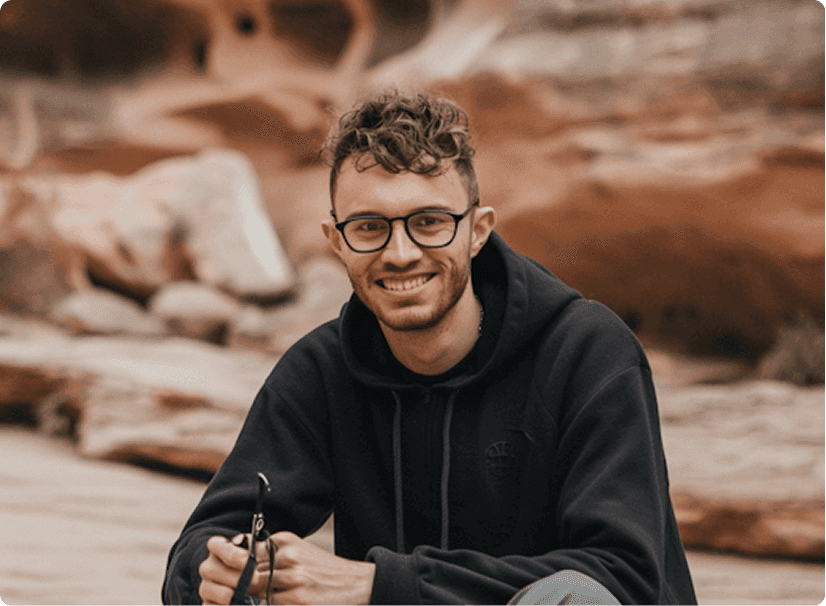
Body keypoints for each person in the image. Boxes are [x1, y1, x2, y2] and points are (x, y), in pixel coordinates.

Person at [162, 91, 697, 606]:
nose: (400, 253)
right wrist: (220, 570)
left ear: (478, 231)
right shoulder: (320, 370)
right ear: (336, 240)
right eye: (369, 227)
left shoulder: (587, 353)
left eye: (429, 223)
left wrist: (378, 586)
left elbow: (623, 580)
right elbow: (200, 546)